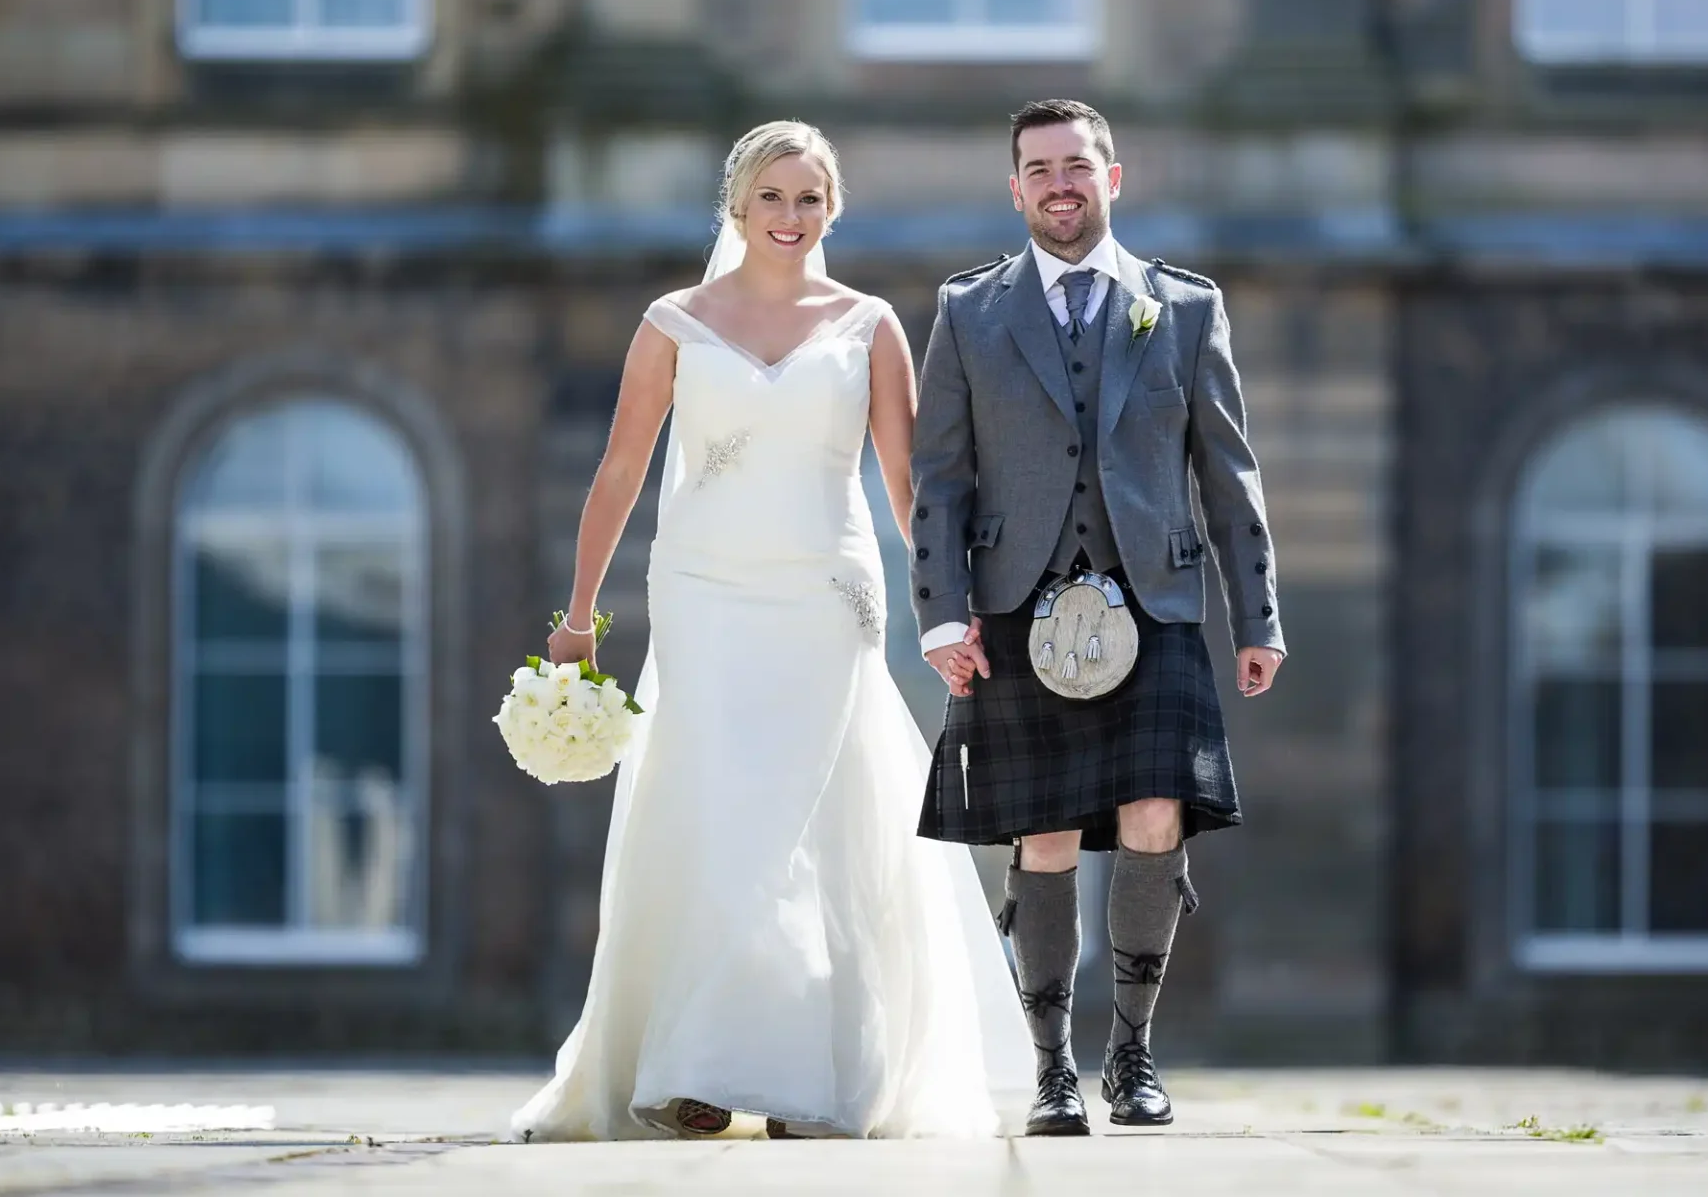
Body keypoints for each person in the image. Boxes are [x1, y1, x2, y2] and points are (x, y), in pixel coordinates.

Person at [511, 121, 1031, 1143]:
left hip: (825, 599)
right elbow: (620, 471)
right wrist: (577, 619)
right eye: (772, 199)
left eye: (810, 199)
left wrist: (944, 610)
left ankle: (811, 1070)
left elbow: (907, 481)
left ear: (831, 210)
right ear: (737, 209)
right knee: (714, 810)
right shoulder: (673, 322)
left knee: (805, 819)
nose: (791, 218)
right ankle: (696, 1064)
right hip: (704, 591)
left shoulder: (870, 324)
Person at [909, 99, 1286, 1137]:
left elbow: (1229, 470)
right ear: (1016, 187)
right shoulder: (970, 311)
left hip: (1155, 600)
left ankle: (1132, 1052)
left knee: (1157, 817)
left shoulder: (1184, 304)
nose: (1059, 183)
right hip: (1019, 602)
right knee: (1042, 833)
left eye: (1077, 165)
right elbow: (937, 475)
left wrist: (1257, 616)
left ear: (1112, 179)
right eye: (1038, 169)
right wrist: (942, 613)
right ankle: (1050, 1071)